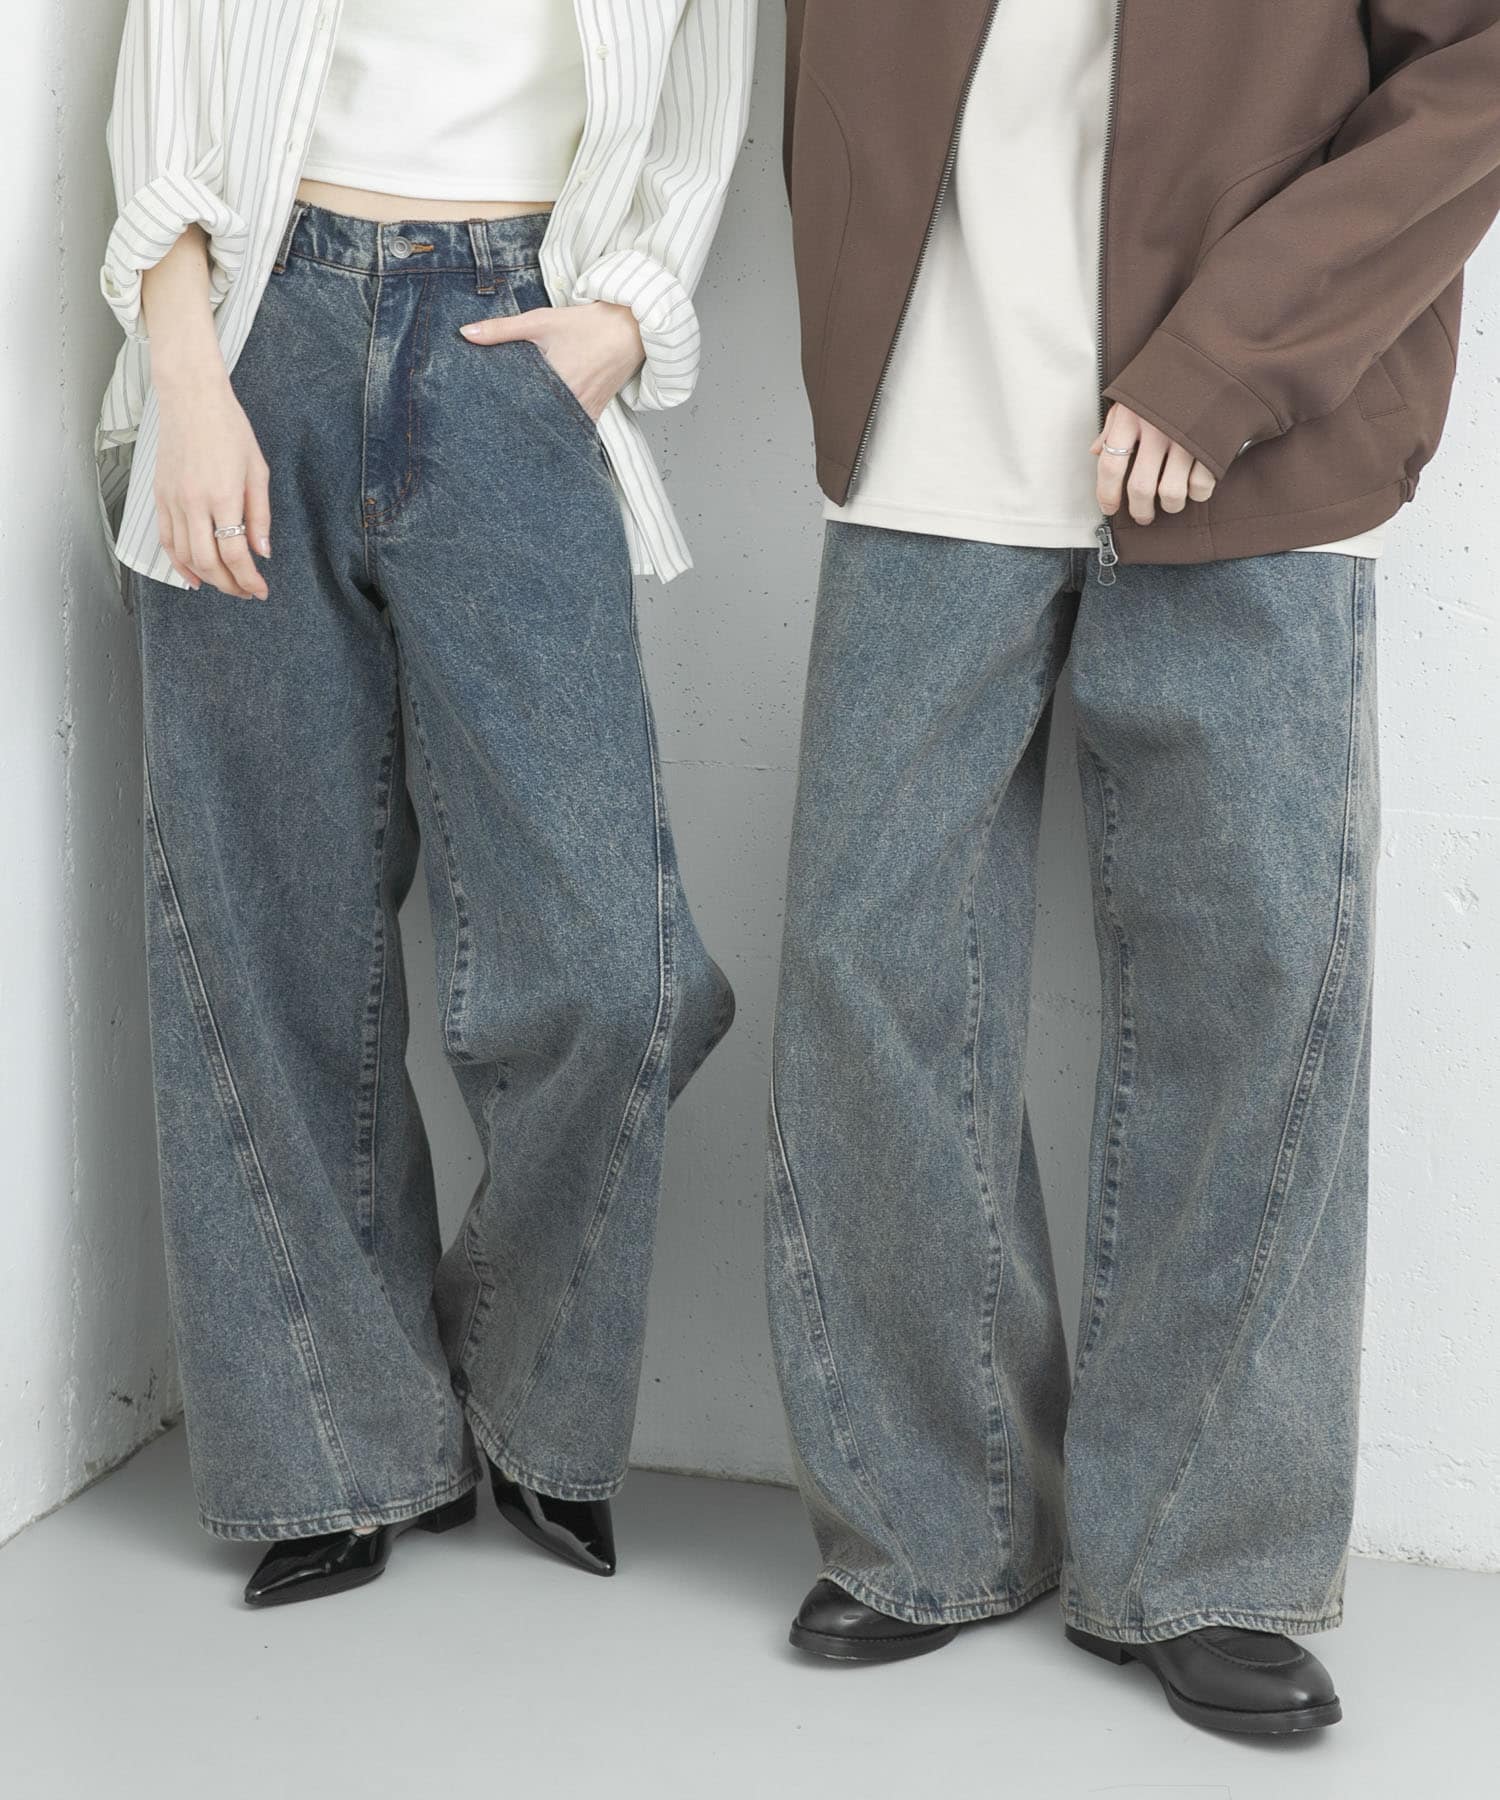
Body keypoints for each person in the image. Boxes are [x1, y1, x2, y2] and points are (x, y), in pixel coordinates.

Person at [768, 0, 1500, 1734]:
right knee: (870, 967)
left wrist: (1233, 355)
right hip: (931, 413)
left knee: (1251, 989)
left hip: (1250, 432)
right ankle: (933, 1515)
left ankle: (1207, 1553)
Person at [96, 0, 753, 1609]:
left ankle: (529, 1399)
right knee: (267, 938)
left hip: (513, 341)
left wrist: (623, 318)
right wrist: (189, 377)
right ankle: (335, 1445)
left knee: (618, 974)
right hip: (259, 336)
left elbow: (700, 108)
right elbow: (169, 78)